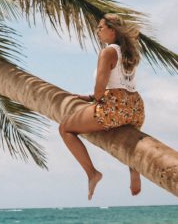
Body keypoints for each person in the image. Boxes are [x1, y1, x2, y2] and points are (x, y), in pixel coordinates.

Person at [58, 13, 146, 200]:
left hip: (114, 107)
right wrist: (91, 97)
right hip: (135, 107)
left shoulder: (108, 52)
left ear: (112, 31)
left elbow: (100, 87)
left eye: (100, 27)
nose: (97, 31)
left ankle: (92, 173)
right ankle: (134, 171)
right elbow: (121, 83)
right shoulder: (129, 52)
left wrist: (95, 99)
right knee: (129, 134)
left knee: (65, 128)